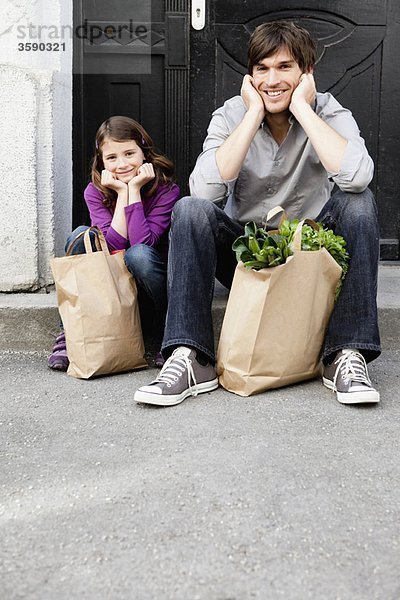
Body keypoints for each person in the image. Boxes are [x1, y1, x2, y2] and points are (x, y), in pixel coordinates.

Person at [134, 20, 381, 407]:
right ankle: (190, 357)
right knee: (191, 209)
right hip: (247, 263)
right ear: (250, 76)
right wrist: (252, 116)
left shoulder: (329, 110)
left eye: (284, 67)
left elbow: (357, 175)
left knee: (359, 202)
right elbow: (205, 189)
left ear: (306, 73)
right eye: (262, 69)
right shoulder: (232, 114)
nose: (272, 79)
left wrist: (301, 108)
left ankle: (345, 355)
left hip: (309, 262)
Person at [48, 115, 180, 371]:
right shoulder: (94, 191)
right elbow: (112, 248)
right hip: (110, 290)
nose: (122, 164)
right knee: (80, 233)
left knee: (138, 254)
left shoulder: (166, 189)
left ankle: (171, 333)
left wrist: (135, 190)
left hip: (152, 291)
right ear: (102, 162)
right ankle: (70, 333)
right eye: (112, 158)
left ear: (144, 152)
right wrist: (122, 193)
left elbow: (144, 241)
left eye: (129, 153)